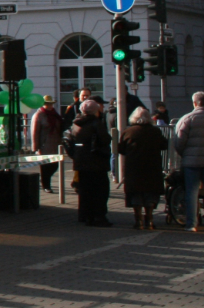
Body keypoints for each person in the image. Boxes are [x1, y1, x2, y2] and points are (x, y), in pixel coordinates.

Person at [172, 92, 204, 232]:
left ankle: (192, 224)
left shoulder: (187, 119)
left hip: (191, 162)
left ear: (194, 103)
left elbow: (179, 141)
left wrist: (185, 154)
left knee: (191, 192)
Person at [64, 98, 113, 227]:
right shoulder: (96, 123)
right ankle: (98, 216)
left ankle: (85, 215)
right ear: (95, 111)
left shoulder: (76, 123)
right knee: (100, 191)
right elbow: (105, 139)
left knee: (85, 191)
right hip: (96, 162)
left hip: (80, 161)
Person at [117, 107, 167, 230]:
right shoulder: (155, 131)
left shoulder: (128, 132)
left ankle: (138, 220)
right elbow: (164, 145)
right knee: (150, 192)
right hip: (152, 167)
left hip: (134, 167)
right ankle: (149, 219)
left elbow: (121, 149)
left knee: (136, 193)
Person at [30, 95, 65, 192]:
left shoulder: (54, 114)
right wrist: (36, 147)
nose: (49, 106)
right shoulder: (39, 115)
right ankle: (46, 185)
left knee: (55, 165)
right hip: (44, 144)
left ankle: (45, 182)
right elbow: (34, 132)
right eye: (47, 104)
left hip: (56, 143)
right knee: (45, 167)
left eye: (50, 104)